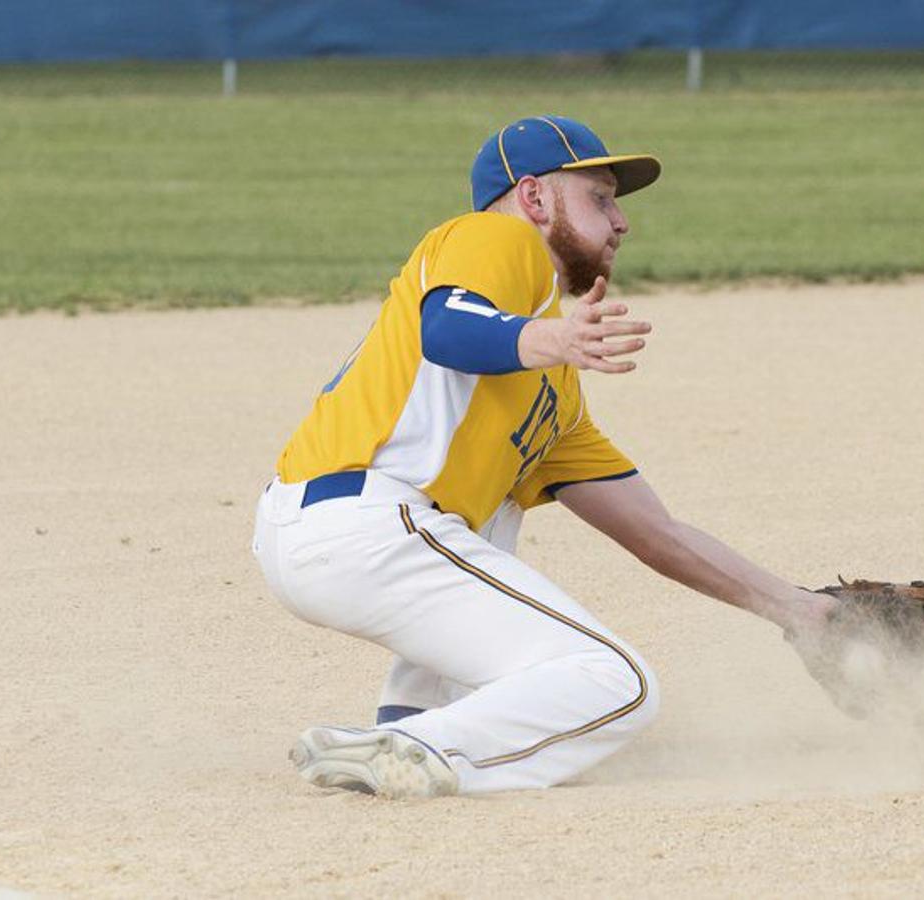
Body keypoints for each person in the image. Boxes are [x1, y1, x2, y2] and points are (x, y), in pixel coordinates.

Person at [252, 115, 836, 798]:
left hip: (356, 537)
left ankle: (415, 719)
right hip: (366, 527)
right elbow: (447, 327)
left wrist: (801, 613)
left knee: (497, 514)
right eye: (599, 197)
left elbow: (658, 535)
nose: (620, 223)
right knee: (620, 686)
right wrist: (549, 339)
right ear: (533, 198)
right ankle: (417, 747)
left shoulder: (553, 395)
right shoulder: (491, 237)